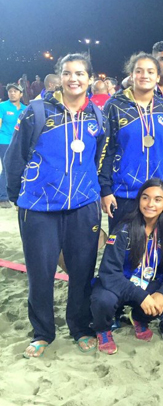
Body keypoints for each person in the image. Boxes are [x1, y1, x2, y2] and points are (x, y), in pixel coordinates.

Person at [5, 53, 108, 358]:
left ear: (90, 79)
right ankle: (43, 332)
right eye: (67, 73)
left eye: (80, 73)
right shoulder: (37, 111)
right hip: (38, 207)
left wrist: (97, 191)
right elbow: (15, 157)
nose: (73, 79)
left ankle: (79, 327)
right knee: (41, 272)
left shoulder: (97, 116)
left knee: (81, 271)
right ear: (59, 77)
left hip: (83, 205)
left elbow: (99, 155)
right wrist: (16, 196)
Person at [91, 178, 163, 353]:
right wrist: (140, 296)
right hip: (121, 283)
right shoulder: (123, 229)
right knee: (103, 300)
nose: (150, 204)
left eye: (158, 199)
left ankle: (139, 318)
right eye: (145, 198)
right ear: (139, 200)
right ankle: (103, 330)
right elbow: (109, 273)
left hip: (149, 280)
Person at [100, 53, 163, 232]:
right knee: (122, 250)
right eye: (139, 71)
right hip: (124, 192)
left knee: (157, 249)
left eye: (150, 72)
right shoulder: (115, 105)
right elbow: (106, 149)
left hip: (158, 192)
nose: (144, 76)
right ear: (131, 75)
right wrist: (105, 189)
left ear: (157, 77)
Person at [0, 83, 26, 208]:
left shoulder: (26, 108)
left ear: (21, 94)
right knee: (6, 168)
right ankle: (3, 197)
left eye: (15, 91)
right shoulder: (2, 106)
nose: (12, 93)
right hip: (4, 141)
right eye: (10, 91)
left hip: (19, 143)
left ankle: (18, 196)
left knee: (21, 167)